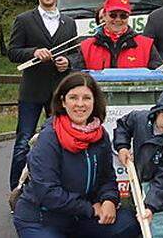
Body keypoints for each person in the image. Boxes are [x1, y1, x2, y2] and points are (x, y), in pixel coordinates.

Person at [12, 72, 141, 238]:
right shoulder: (49, 137)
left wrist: (109, 200)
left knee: (129, 223)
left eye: (87, 98)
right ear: (63, 102)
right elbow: (47, 192)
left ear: (95, 102)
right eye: (73, 97)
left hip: (81, 217)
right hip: (42, 217)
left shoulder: (100, 135)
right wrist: (90, 208)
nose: (80, 104)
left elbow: (107, 178)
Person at [8, 0, 81, 190]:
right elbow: (13, 52)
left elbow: (76, 54)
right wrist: (34, 52)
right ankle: (16, 190)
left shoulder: (68, 23)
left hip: (59, 93)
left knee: (60, 140)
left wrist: (67, 62)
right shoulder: (24, 20)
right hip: (32, 91)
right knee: (23, 142)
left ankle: (55, 187)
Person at [113, 82, 163, 238]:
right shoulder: (139, 119)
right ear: (158, 111)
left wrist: (150, 206)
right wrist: (122, 146)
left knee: (159, 231)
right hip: (141, 182)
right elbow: (123, 125)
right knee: (145, 227)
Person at [80, 0, 162, 70]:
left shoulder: (147, 46)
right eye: (113, 15)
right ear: (104, 15)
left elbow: (159, 78)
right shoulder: (86, 47)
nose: (118, 20)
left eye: (123, 16)